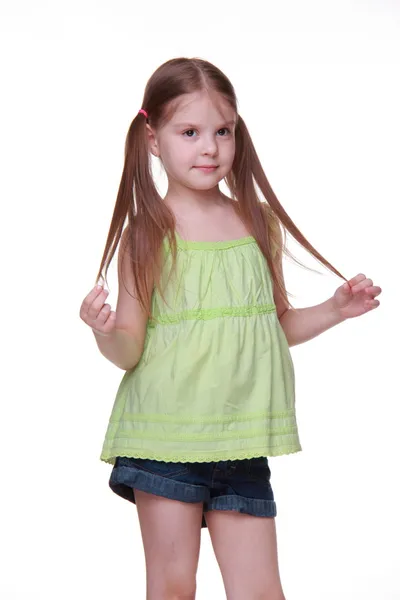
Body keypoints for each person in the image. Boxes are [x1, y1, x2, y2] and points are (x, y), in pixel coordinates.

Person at [79, 57, 381, 600]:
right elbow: (129, 348)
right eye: (189, 132)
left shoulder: (256, 222)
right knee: (173, 588)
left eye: (223, 131)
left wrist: (335, 310)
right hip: (164, 442)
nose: (210, 148)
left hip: (240, 441)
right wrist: (103, 331)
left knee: (261, 591)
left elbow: (273, 326)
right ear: (153, 138)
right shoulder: (147, 234)